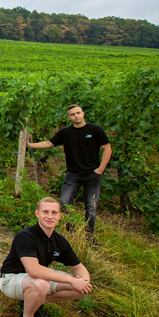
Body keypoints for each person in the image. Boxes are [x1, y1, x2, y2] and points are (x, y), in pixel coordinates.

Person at [0, 197, 92, 317]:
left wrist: (83, 281)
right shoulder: (26, 236)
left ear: (60, 216)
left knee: (83, 289)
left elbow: (78, 267)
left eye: (54, 212)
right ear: (37, 213)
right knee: (42, 285)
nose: (49, 216)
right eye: (45, 212)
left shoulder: (59, 241)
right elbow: (34, 270)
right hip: (11, 279)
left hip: (37, 279)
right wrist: (71, 280)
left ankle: (33, 302)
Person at [27, 104, 111, 243]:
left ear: (83, 114)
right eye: (73, 114)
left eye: (78, 113)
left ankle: (89, 237)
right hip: (73, 174)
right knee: (65, 203)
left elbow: (107, 149)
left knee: (91, 207)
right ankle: (71, 232)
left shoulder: (95, 130)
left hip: (92, 175)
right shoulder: (65, 133)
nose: (76, 116)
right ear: (69, 117)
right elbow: (49, 143)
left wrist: (100, 169)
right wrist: (30, 145)